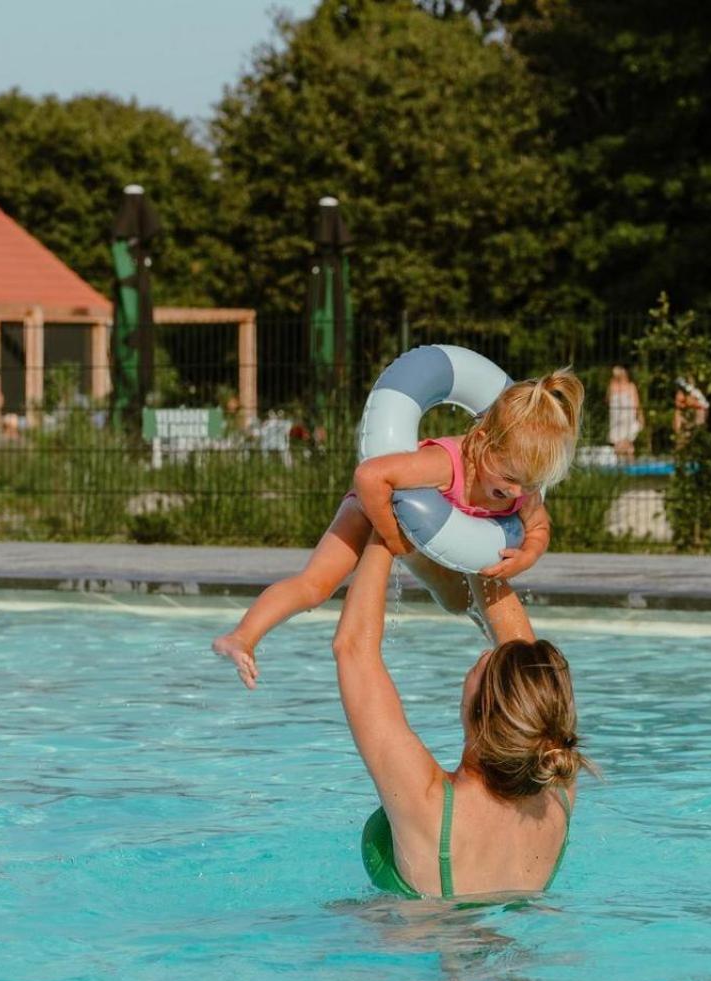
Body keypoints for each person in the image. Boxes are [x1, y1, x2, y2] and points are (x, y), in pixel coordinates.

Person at [213, 369, 585, 689]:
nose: (518, 494)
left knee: (467, 596)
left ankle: (527, 680)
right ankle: (242, 637)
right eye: (509, 480)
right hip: (371, 509)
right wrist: (391, 538)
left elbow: (538, 525)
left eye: (531, 485)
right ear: (484, 444)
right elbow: (370, 476)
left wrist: (526, 556)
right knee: (316, 585)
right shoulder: (443, 463)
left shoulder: (521, 485)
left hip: (435, 531)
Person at [335, 533, 591, 898]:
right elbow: (527, 663)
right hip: (518, 947)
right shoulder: (557, 785)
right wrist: (474, 537)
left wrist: (379, 525)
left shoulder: (428, 803)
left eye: (486, 665)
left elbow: (353, 651)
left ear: (479, 713)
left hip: (403, 947)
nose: (488, 653)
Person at [606, 365, 642, 460]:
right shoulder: (612, 386)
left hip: (628, 418)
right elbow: (607, 400)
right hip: (616, 420)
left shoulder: (631, 386)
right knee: (617, 445)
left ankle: (630, 465)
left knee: (628, 444)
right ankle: (620, 468)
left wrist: (640, 417)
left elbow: (637, 404)